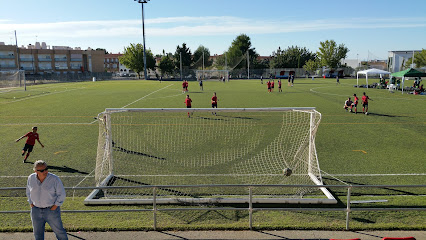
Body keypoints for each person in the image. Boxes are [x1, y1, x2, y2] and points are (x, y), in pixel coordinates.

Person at [26, 160, 68, 240]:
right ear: (35, 171)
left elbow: (61, 194)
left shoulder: (55, 179)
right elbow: (28, 191)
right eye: (42, 170)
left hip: (51, 211)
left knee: (60, 232)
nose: (45, 171)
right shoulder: (31, 178)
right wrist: (31, 203)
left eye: (46, 169)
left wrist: (55, 206)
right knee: (37, 234)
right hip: (36, 210)